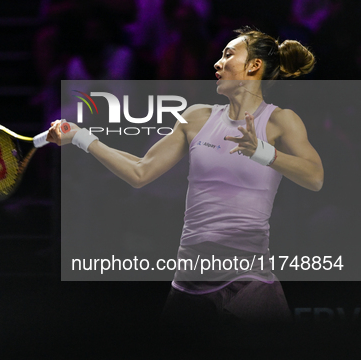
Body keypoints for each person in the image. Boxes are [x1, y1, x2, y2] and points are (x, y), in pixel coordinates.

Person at [46, 27, 322, 332]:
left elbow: (314, 177)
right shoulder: (197, 117)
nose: (217, 63)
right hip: (191, 279)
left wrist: (265, 152)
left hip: (249, 280)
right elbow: (141, 171)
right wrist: (82, 137)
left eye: (228, 55)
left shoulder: (280, 120)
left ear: (254, 66)